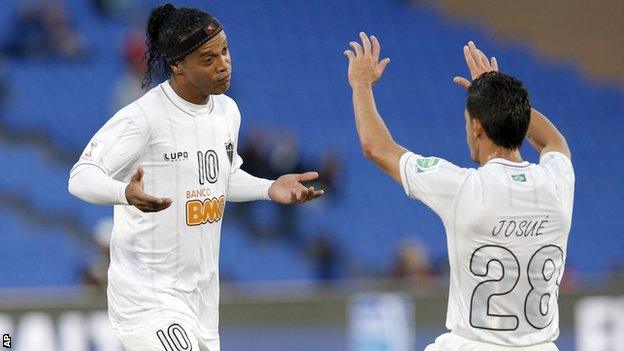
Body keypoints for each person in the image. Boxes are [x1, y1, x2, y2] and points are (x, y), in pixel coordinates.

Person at [68, 4, 324, 350]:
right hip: (148, 296)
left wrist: (268, 188)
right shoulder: (144, 117)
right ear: (177, 66)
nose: (223, 64)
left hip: (202, 298)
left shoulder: (227, 111)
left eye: (225, 50)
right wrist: (124, 193)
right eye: (208, 59)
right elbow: (80, 176)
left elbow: (224, 177)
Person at [344, 33, 573, 351]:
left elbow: (376, 147)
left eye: (468, 121)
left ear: (477, 127)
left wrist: (361, 85)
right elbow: (553, 141)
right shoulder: (557, 183)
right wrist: (499, 95)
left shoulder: (464, 188)